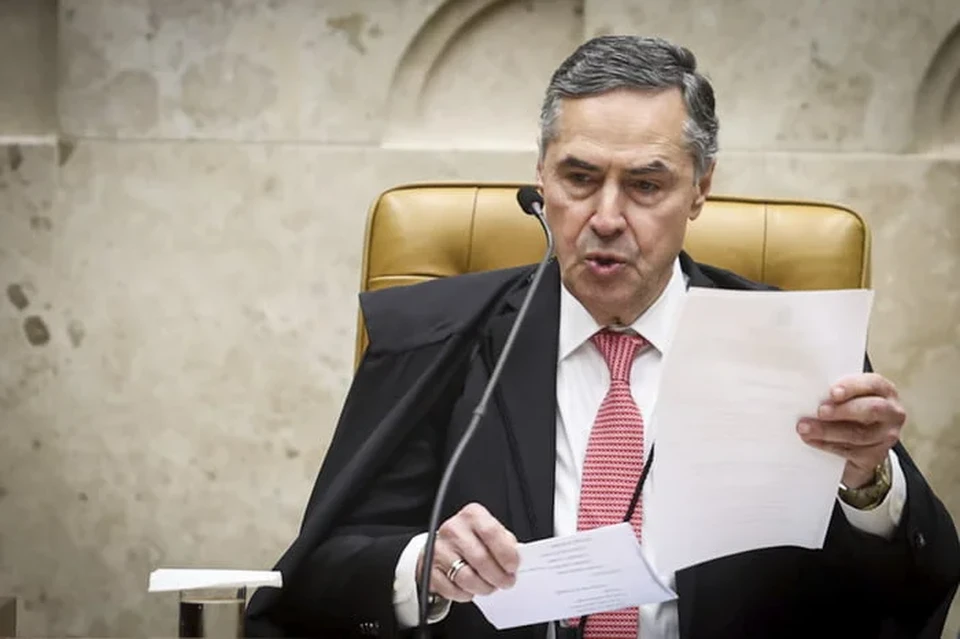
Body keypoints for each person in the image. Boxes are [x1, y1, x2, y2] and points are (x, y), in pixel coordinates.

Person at [245, 35, 960, 639]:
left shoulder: (787, 344)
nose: (606, 216)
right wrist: (420, 567)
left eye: (646, 185)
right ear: (541, 177)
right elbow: (314, 573)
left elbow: (906, 592)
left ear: (702, 188)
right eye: (579, 177)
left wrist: (868, 485)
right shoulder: (441, 339)